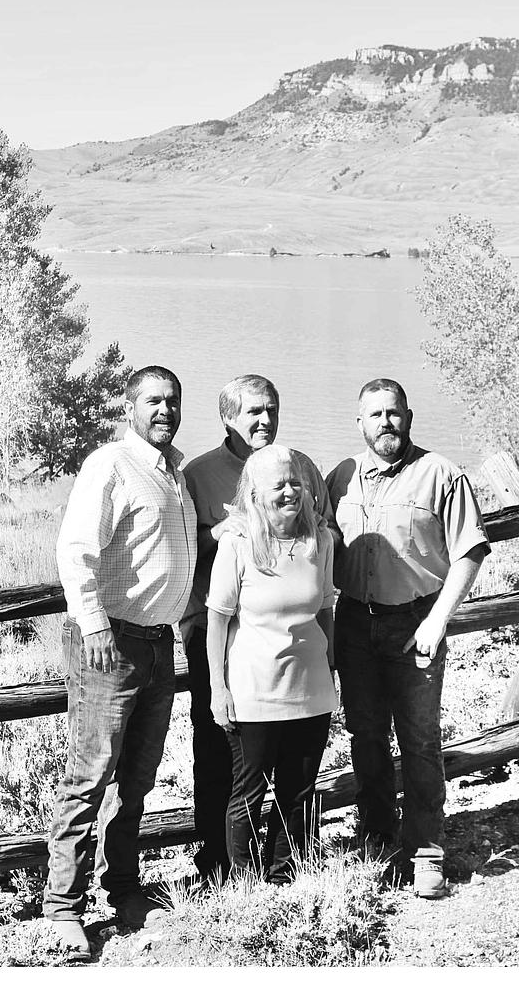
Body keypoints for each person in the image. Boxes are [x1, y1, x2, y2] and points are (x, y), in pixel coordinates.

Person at [43, 365, 197, 960]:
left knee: (137, 778)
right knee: (90, 775)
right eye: (152, 400)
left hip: (157, 644)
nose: (164, 410)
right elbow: (76, 548)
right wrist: (94, 625)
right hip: (110, 643)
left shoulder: (175, 472)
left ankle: (123, 886)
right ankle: (64, 906)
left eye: (172, 401)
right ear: (130, 406)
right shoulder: (111, 464)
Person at [325, 378, 489, 899]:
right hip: (354, 621)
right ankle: (377, 836)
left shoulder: (441, 474)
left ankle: (425, 852)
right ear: (360, 423)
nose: (386, 423)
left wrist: (438, 619)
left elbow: (470, 552)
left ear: (409, 416)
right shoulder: (340, 478)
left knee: (419, 740)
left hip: (416, 621)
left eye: (393, 412)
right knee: (365, 735)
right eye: (375, 415)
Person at [181, 374, 333, 882]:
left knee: (291, 764)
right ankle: (219, 864)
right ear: (228, 418)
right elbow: (179, 546)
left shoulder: (300, 467)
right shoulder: (199, 474)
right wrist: (219, 532)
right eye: (253, 411)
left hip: (291, 638)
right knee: (221, 757)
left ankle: (285, 864)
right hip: (215, 629)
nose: (265, 419)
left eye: (272, 409)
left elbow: (322, 531)